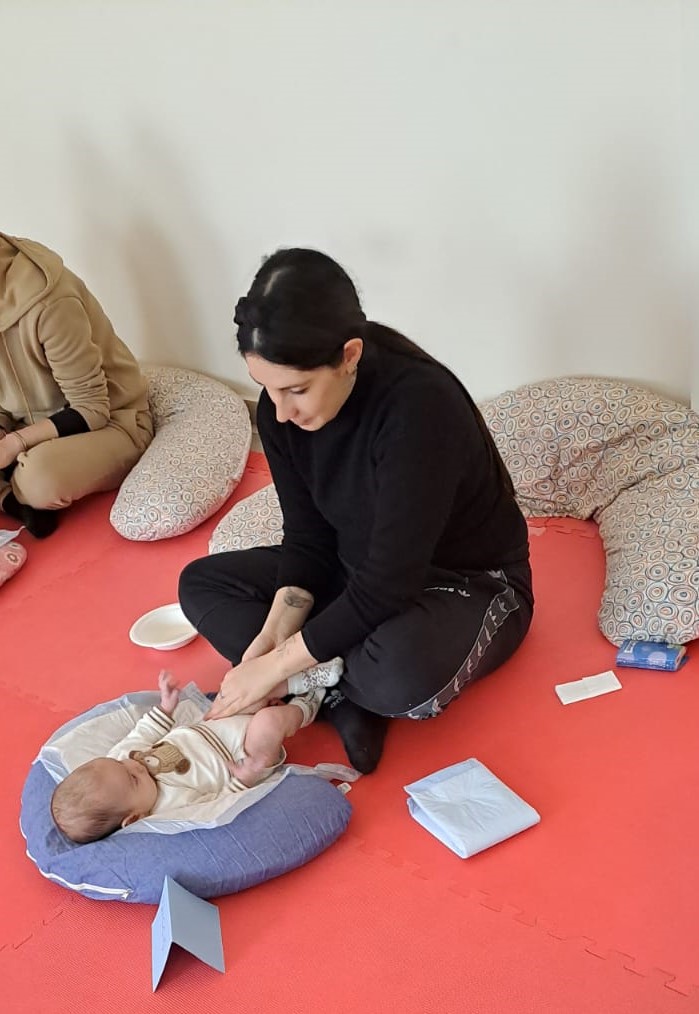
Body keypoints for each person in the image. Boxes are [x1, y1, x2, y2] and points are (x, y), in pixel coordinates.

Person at [178, 248, 534, 775]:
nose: (279, 412)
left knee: (400, 673)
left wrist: (275, 668)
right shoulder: (282, 413)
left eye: (297, 390)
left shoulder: (420, 409)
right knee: (201, 584)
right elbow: (308, 537)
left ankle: (322, 689)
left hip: (464, 584)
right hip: (356, 571)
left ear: (349, 355)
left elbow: (390, 581)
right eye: (266, 388)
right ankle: (337, 695)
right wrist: (272, 638)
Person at [50, 668, 333, 844]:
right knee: (269, 722)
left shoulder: (121, 761)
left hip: (212, 724)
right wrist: (244, 780)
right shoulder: (169, 808)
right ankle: (308, 704)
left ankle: (301, 680)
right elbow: (215, 806)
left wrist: (165, 708)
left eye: (119, 763)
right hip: (244, 754)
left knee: (241, 687)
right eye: (133, 780)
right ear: (134, 818)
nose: (134, 765)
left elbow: (142, 733)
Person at [0, 231, 154, 538]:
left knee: (41, 481)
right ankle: (12, 499)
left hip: (110, 423)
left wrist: (15, 443)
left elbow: (92, 409)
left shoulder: (51, 302)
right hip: (24, 425)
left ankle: (16, 491)